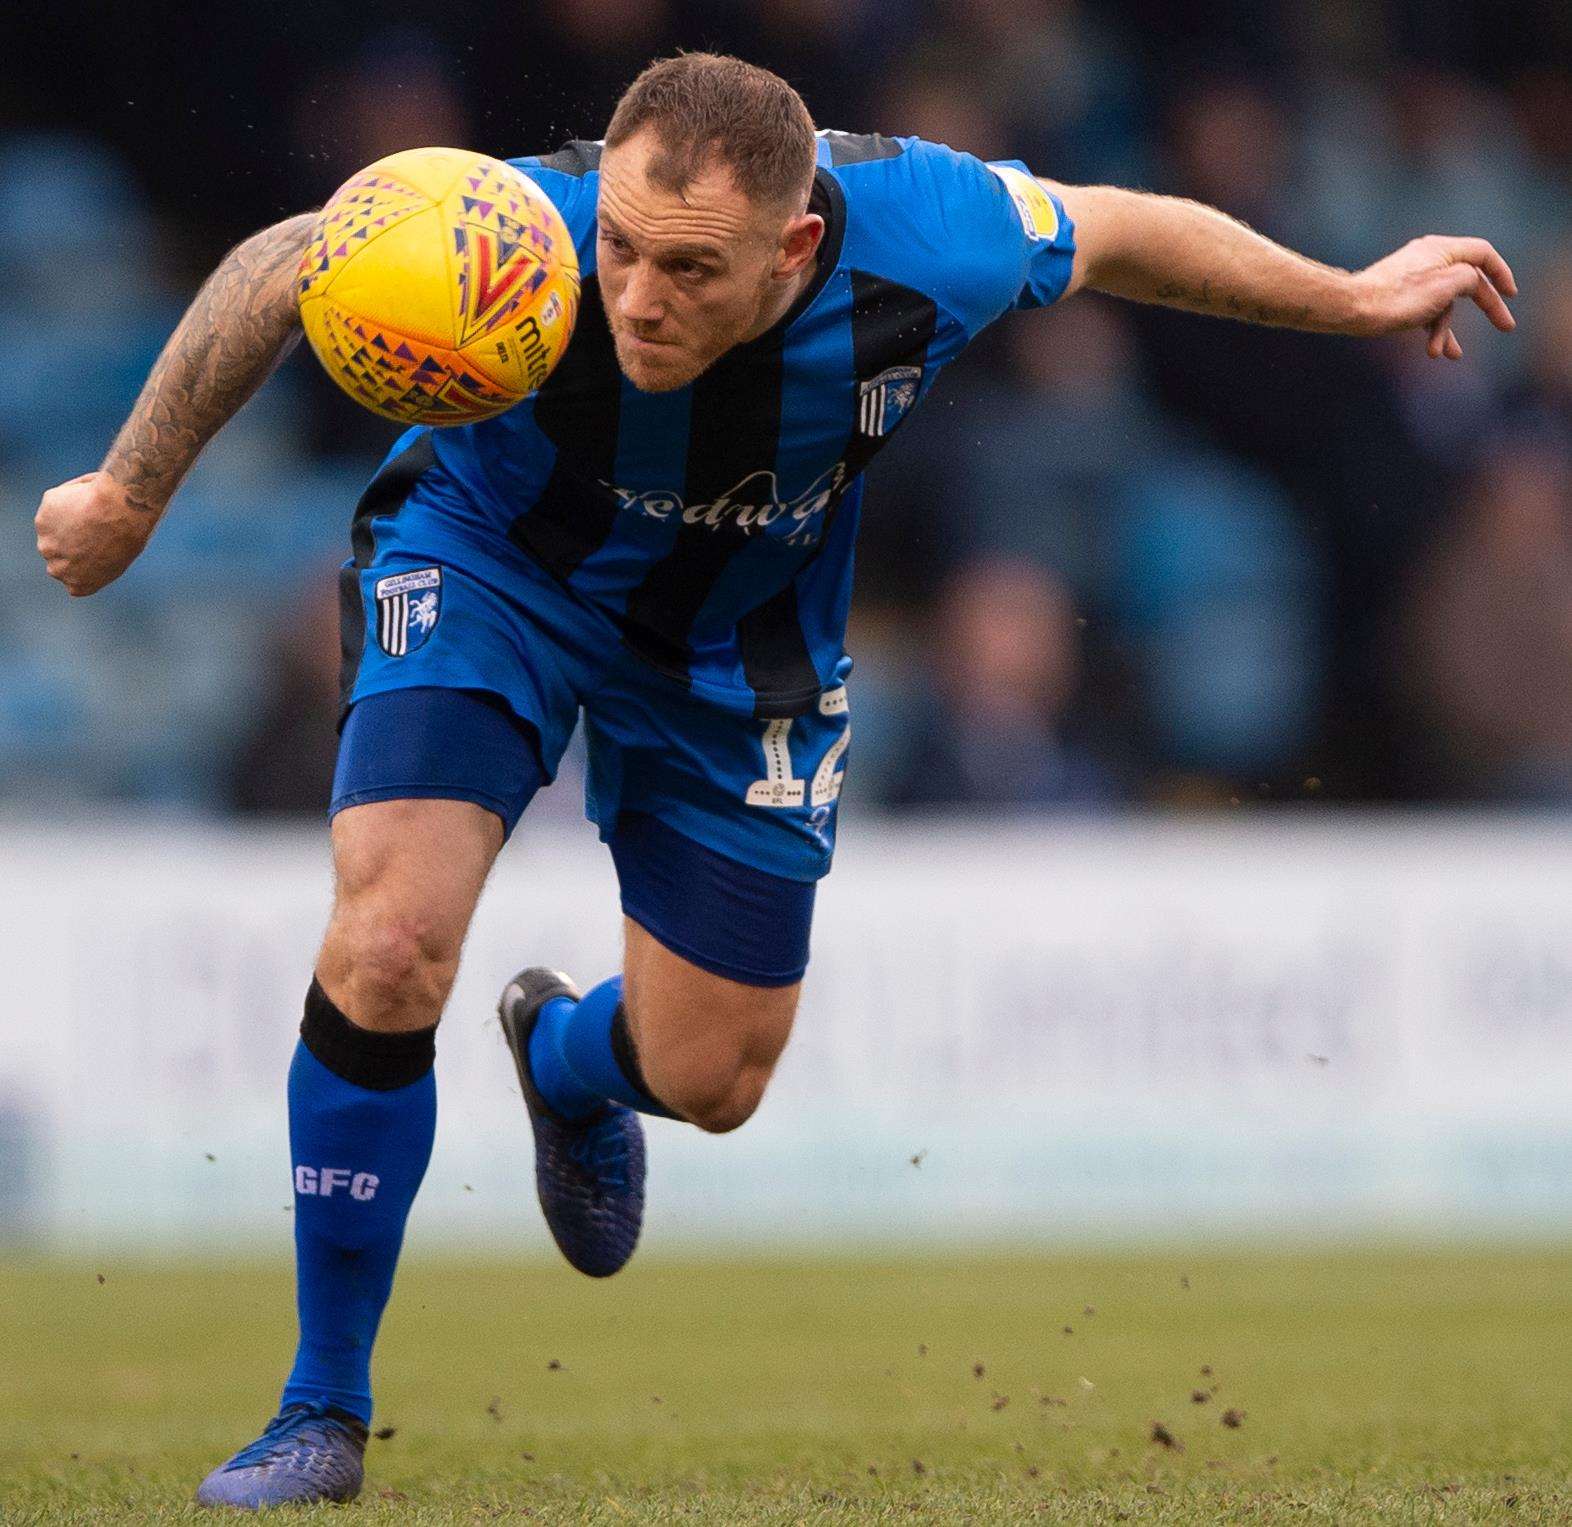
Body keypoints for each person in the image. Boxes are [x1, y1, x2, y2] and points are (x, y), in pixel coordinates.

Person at [33, 52, 1515, 1511]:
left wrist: (1355, 294)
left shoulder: (933, 233)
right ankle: (322, 1411)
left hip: (740, 645)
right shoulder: (520, 223)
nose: (634, 297)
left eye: (689, 269)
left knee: (711, 1075)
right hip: (491, 571)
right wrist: (129, 491)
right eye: (619, 249)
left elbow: (1125, 230)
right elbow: (294, 261)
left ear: (797, 244)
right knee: (391, 939)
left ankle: (561, 1059)